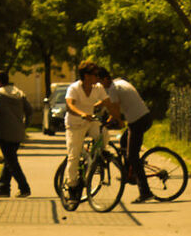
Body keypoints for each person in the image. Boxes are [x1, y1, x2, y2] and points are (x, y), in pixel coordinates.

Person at [97, 69, 153, 202]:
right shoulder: (119, 82)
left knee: (132, 155)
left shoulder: (113, 89)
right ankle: (129, 173)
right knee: (123, 142)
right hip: (143, 117)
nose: (99, 84)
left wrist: (116, 121)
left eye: (99, 81)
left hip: (138, 121)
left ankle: (145, 192)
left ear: (105, 79)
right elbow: (110, 104)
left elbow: (114, 108)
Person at [63, 61, 109, 199]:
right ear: (86, 76)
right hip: (75, 124)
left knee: (104, 135)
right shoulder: (74, 88)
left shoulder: (98, 87)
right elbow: (70, 105)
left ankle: (98, 159)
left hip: (90, 121)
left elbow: (108, 102)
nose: (98, 77)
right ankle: (71, 186)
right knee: (74, 155)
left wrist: (117, 118)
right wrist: (82, 113)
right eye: (95, 74)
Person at [0, 69, 31, 198]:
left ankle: (24, 187)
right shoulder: (19, 94)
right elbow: (30, 111)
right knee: (9, 160)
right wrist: (25, 125)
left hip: (4, 132)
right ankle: (3, 188)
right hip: (18, 133)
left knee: (11, 161)